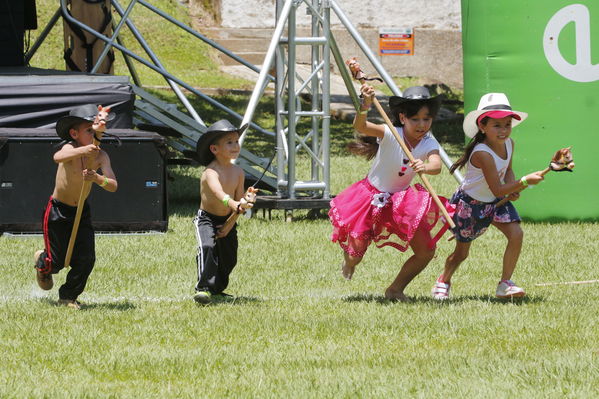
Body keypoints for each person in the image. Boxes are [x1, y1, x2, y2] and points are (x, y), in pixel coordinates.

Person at [329, 84, 454, 302]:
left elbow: (436, 165)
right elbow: (361, 126)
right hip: (370, 198)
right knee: (354, 255)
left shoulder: (429, 142)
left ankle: (395, 289)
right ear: (403, 117)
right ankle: (348, 262)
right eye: (415, 119)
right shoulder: (390, 133)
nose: (422, 125)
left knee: (426, 251)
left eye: (427, 119)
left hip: (402, 202)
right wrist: (365, 106)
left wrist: (425, 167)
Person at [431, 93, 544, 300]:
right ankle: (443, 280)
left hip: (496, 202)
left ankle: (505, 284)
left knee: (516, 234)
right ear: (482, 126)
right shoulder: (482, 153)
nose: (504, 131)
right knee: (461, 254)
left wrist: (513, 185)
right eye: (497, 125)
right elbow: (496, 189)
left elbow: (508, 171)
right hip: (471, 204)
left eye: (507, 125)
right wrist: (524, 182)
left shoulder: (510, 144)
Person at [34, 104, 118, 310]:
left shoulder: (101, 156)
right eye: (88, 130)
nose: (92, 134)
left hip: (81, 212)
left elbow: (113, 186)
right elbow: (57, 157)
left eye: (93, 130)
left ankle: (68, 296)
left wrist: (98, 178)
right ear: (74, 133)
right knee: (57, 262)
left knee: (86, 258)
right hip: (58, 211)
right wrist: (82, 150)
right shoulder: (70, 148)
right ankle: (42, 261)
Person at [193, 120, 256, 305]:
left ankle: (217, 289)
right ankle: (203, 288)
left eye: (236, 141)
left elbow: (239, 204)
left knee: (229, 258)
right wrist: (236, 203)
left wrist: (245, 203)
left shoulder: (238, 172)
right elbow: (220, 194)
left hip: (227, 219)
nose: (235, 146)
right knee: (207, 248)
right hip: (206, 219)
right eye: (229, 142)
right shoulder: (210, 172)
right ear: (214, 149)